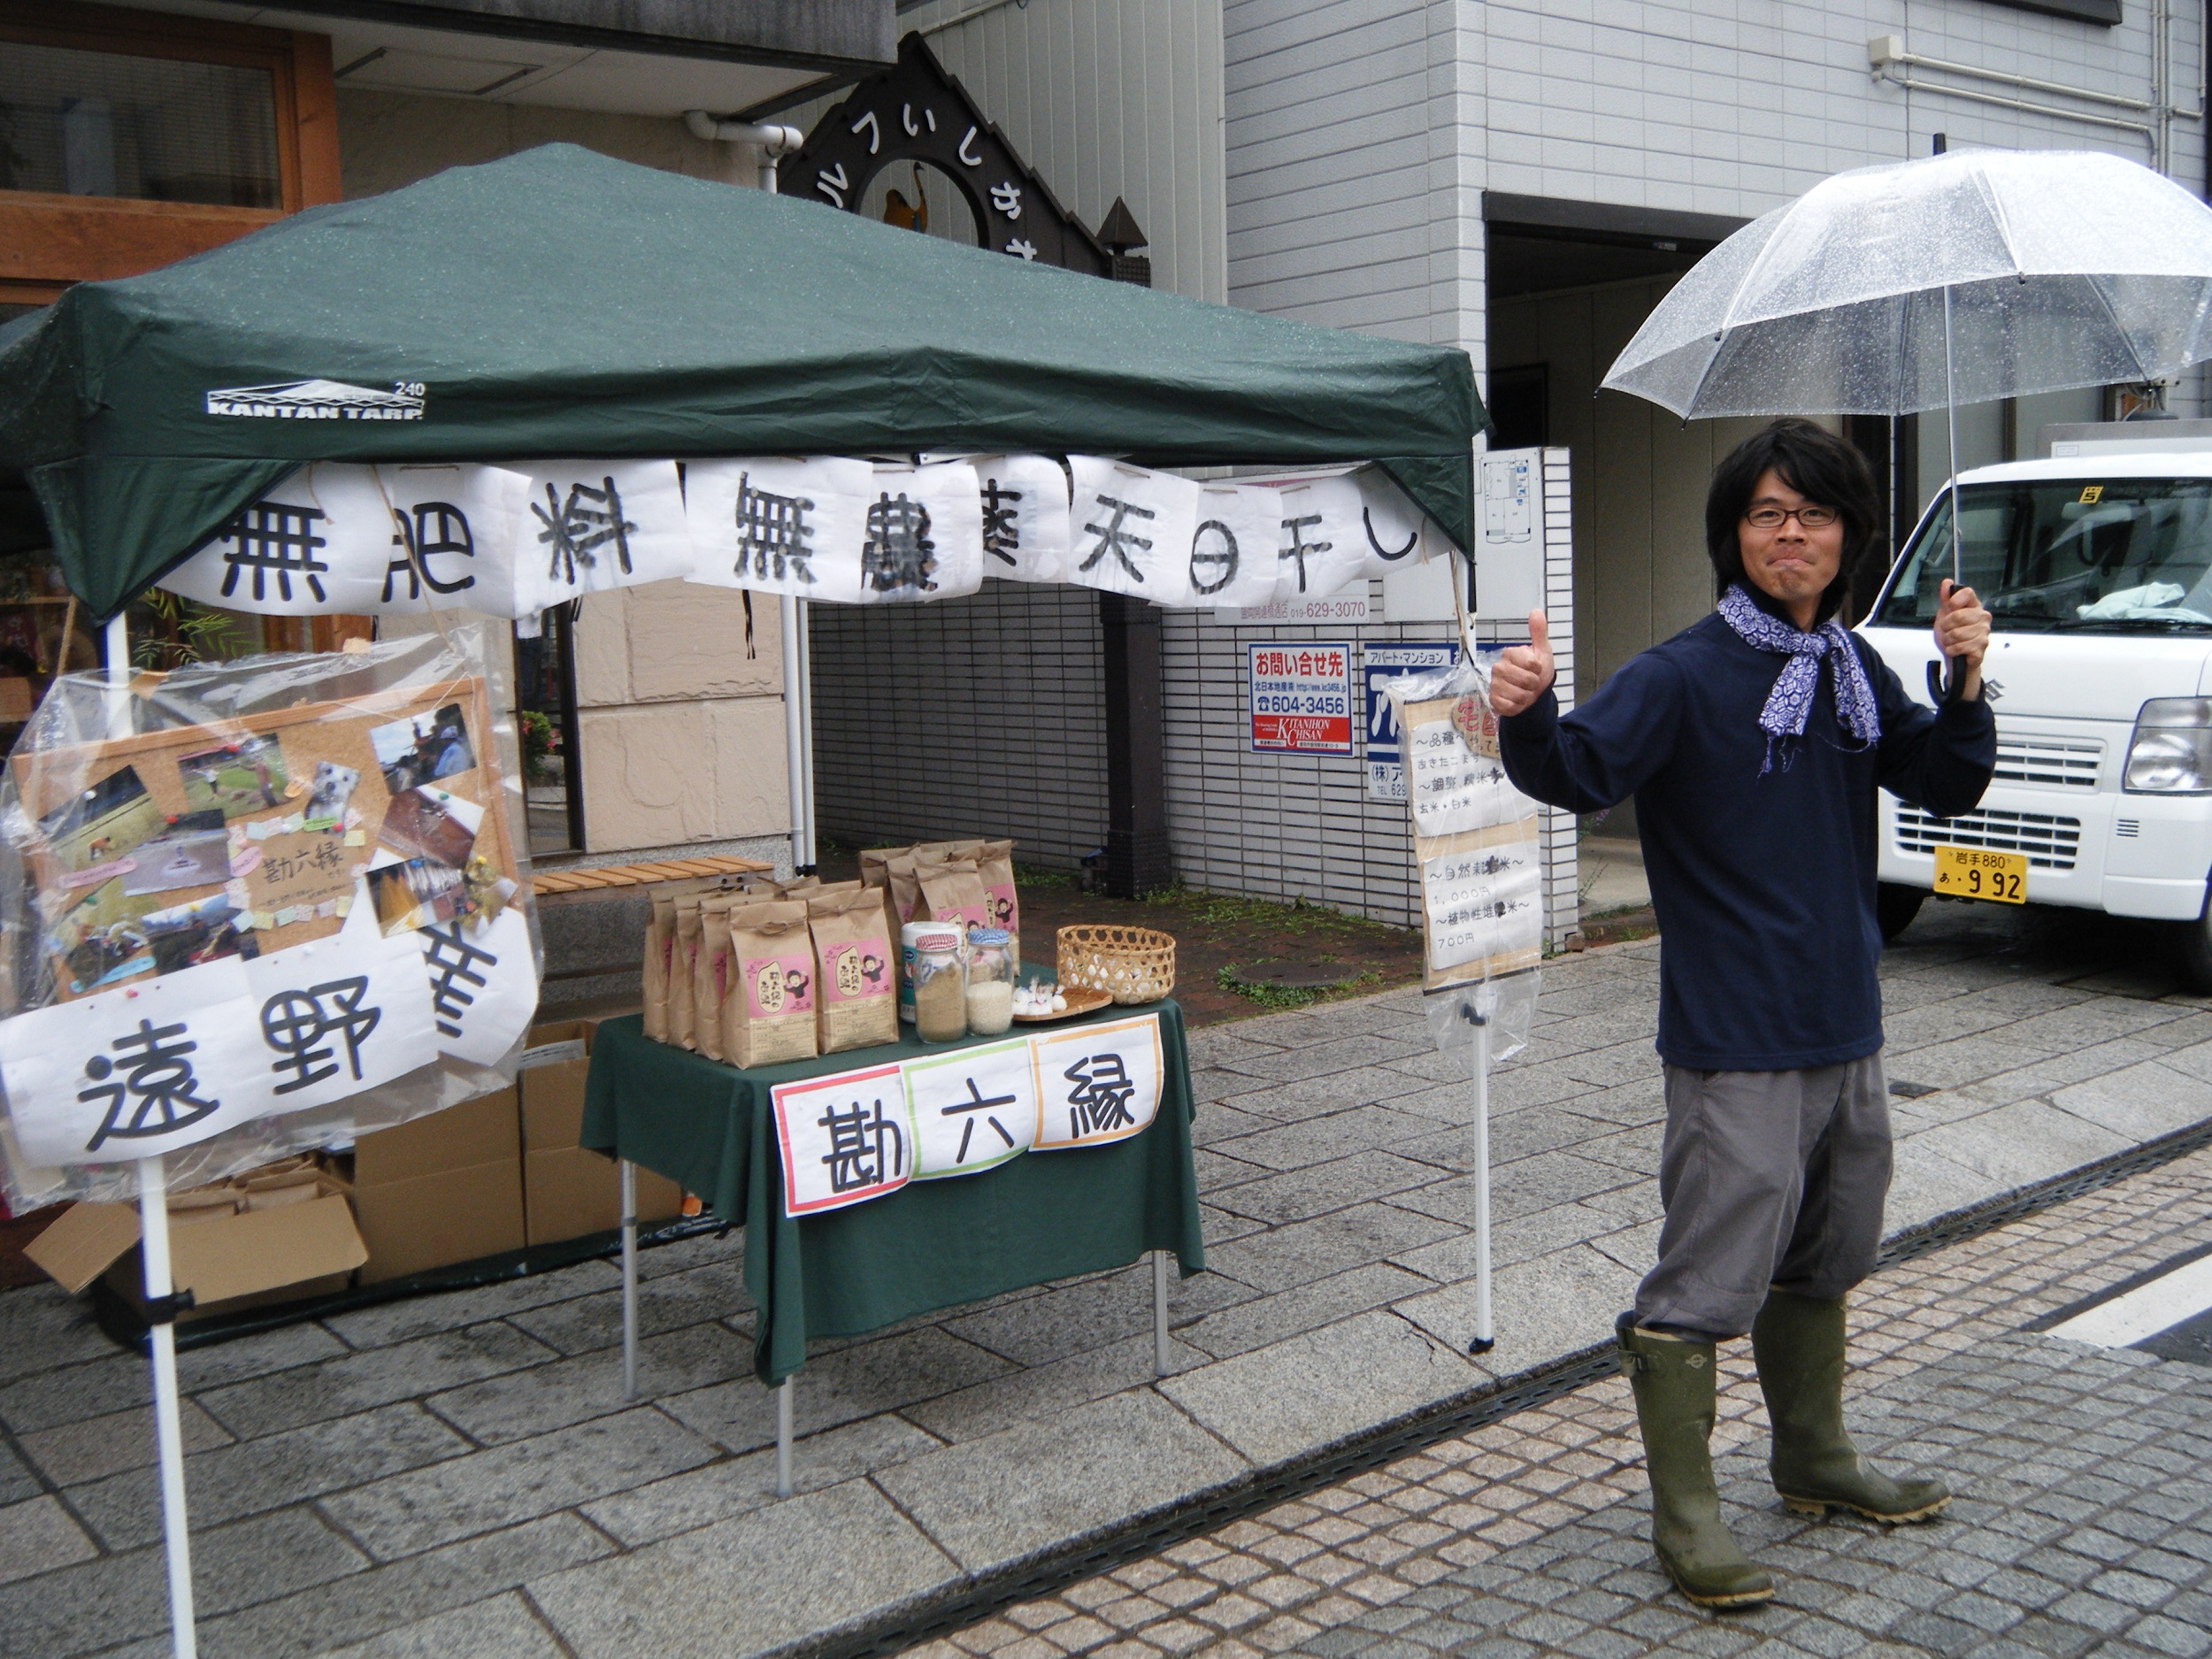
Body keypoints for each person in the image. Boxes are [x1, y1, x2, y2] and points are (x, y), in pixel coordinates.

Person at [1488, 419, 1994, 1608]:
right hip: (1735, 1036)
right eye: (1767, 514)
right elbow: (1571, 772)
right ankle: (1689, 1522)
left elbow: (1943, 783)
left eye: (1814, 515)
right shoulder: (1683, 672)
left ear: (1848, 537)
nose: (1791, 535)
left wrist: (1965, 678)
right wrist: (1525, 707)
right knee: (1707, 1279)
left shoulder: (1854, 670)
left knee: (1829, 1253)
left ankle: (1812, 1457)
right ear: (1733, 535)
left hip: (1845, 1018)